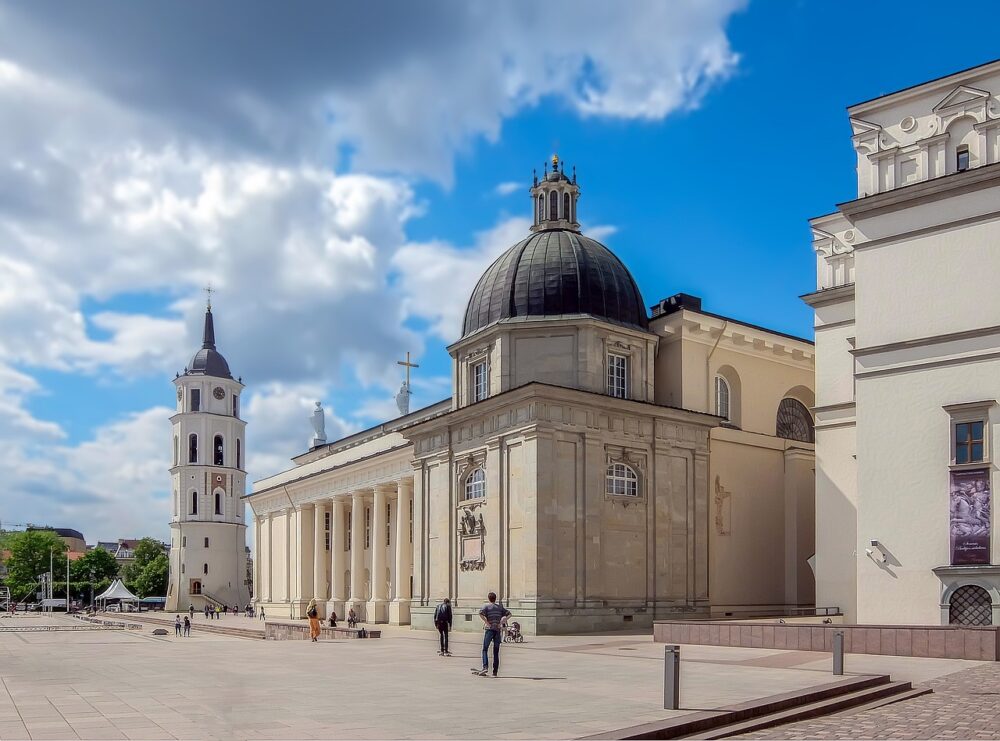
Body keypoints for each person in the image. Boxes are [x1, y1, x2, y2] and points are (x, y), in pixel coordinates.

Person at [474, 592, 511, 677]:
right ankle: (495, 672)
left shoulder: (486, 606)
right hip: (497, 630)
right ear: (495, 598)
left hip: (489, 630)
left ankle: (485, 667)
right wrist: (501, 622)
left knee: (485, 649)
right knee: (496, 651)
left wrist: (487, 622)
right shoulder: (500, 608)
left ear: (489, 598)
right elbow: (509, 614)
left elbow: (480, 613)